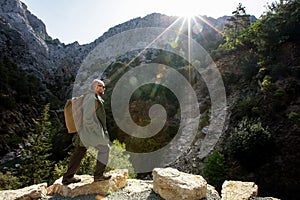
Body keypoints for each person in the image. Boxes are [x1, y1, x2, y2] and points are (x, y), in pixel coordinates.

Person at [62, 79, 111, 185]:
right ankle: (98, 175)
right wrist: (98, 131)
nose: (104, 89)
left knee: (79, 152)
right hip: (90, 132)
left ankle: (68, 177)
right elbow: (88, 118)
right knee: (105, 149)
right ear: (95, 87)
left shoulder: (93, 97)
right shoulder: (91, 98)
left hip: (85, 133)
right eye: (102, 86)